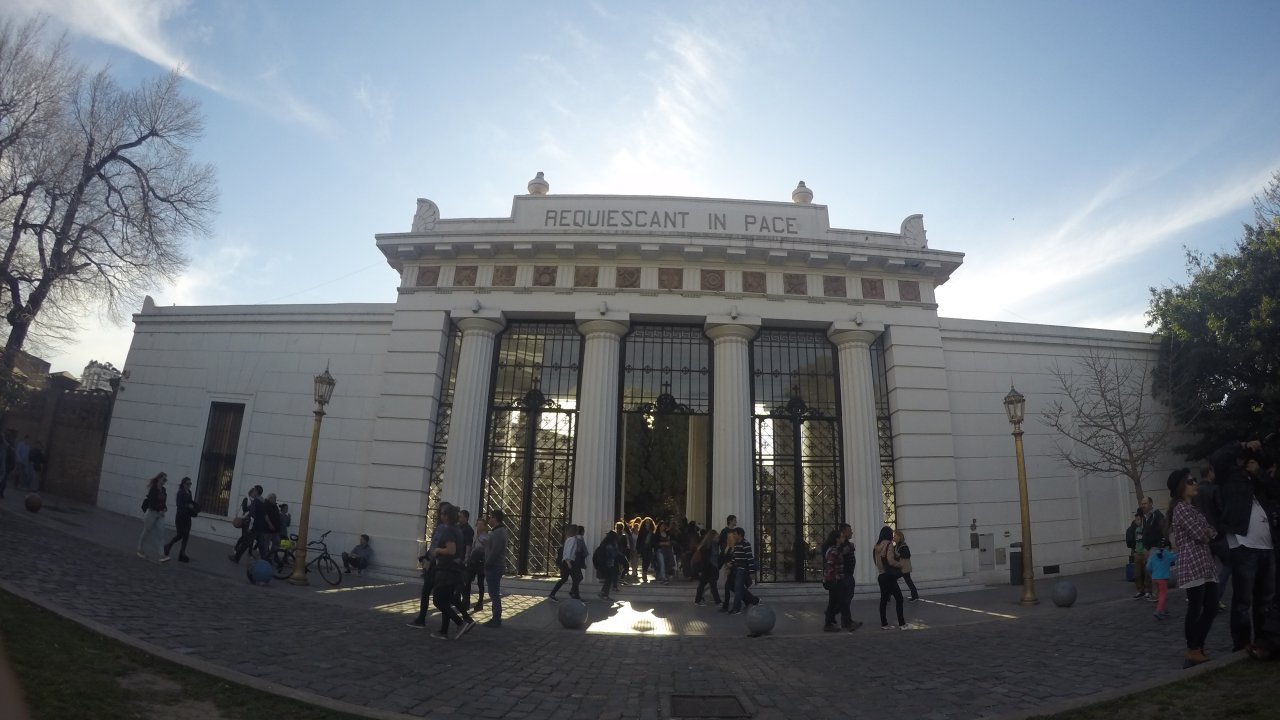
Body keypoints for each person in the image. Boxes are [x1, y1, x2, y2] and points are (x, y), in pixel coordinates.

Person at [1212, 439, 1277, 654]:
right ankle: (1241, 644)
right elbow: (1218, 457)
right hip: (1243, 542)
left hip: (1266, 544)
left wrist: (1258, 472)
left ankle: (1262, 641)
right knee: (1243, 599)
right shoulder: (1229, 476)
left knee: (1265, 598)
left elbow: (1275, 490)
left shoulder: (1258, 478)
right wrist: (1242, 445)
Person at [1167, 467, 1220, 667]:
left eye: (1194, 480)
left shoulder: (1193, 508)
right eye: (1190, 481)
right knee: (1196, 607)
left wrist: (1208, 532)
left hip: (1204, 563)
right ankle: (1193, 648)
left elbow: (1212, 532)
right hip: (1192, 564)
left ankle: (1197, 646)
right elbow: (1201, 534)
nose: (1194, 483)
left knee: (1211, 606)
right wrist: (1207, 532)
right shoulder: (1181, 509)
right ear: (1181, 487)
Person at [429, 505, 476, 640]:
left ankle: (460, 623)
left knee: (438, 600)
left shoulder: (449, 530)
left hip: (446, 570)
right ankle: (444, 631)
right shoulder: (457, 530)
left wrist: (437, 550)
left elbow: (451, 550)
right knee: (446, 600)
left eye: (443, 513)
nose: (441, 515)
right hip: (453, 570)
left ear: (447, 516)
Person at [408, 502, 451, 628]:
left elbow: (437, 546)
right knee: (437, 595)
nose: (438, 514)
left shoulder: (444, 528)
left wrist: (429, 558)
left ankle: (457, 623)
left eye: (441, 512)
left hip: (437, 565)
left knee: (435, 596)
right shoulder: (444, 527)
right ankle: (445, 626)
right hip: (437, 564)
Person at [875, 526, 907, 629]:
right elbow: (890, 561)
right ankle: (902, 623)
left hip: (881, 575)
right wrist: (900, 564)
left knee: (883, 600)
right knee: (899, 598)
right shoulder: (888, 545)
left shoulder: (877, 546)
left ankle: (884, 624)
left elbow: (877, 561)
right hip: (889, 576)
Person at [137, 472, 169, 563]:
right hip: (151, 513)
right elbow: (151, 503)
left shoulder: (164, 490)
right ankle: (139, 549)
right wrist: (159, 510)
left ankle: (161, 555)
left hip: (160, 515)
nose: (164, 482)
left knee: (161, 533)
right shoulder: (153, 489)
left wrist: (165, 509)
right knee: (146, 531)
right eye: (164, 479)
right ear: (159, 479)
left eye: (166, 480)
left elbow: (163, 502)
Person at [484, 509, 508, 627]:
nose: (489, 519)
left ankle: (496, 618)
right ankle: (495, 617)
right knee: (493, 592)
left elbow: (495, 551)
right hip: (495, 565)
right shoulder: (498, 531)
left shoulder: (498, 532)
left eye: (490, 517)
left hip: (494, 566)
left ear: (495, 518)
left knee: (494, 593)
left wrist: (487, 563)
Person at [163, 477, 196, 562]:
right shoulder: (180, 493)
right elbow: (178, 504)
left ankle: (182, 553)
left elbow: (190, 502)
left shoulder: (189, 492)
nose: (189, 485)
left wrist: (194, 507)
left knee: (186, 535)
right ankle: (168, 546)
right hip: (180, 517)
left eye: (190, 484)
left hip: (187, 517)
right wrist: (187, 506)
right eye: (188, 483)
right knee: (180, 535)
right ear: (183, 484)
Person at [549, 524, 584, 601]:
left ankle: (553, 594)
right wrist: (568, 562)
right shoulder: (573, 540)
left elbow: (566, 551)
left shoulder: (569, 539)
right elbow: (569, 551)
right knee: (577, 578)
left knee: (566, 578)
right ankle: (574, 594)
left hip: (566, 562)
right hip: (569, 562)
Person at [728, 528, 759, 614]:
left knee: (738, 589)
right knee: (734, 587)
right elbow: (735, 557)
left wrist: (752, 572)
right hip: (736, 570)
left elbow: (749, 558)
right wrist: (731, 563)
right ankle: (754, 600)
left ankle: (736, 609)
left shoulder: (746, 544)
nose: (733, 536)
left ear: (740, 535)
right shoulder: (737, 544)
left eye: (735, 534)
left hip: (742, 570)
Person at [1146, 539, 1177, 620]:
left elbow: (1148, 567)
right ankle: (1158, 611)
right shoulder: (1167, 554)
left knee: (1160, 595)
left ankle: (1162, 610)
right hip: (1163, 578)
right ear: (1166, 547)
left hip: (1154, 578)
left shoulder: (1153, 555)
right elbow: (1175, 558)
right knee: (1163, 595)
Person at [693, 529, 722, 607]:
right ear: (712, 537)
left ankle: (698, 600)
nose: (718, 538)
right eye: (716, 536)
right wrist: (702, 569)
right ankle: (717, 601)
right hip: (708, 568)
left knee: (704, 585)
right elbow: (704, 559)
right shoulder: (707, 546)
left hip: (712, 567)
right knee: (711, 584)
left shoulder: (715, 544)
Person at [465, 519, 489, 611]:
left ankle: (480, 602)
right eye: (477, 524)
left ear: (484, 526)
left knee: (480, 583)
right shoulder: (476, 536)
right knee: (467, 581)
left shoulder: (486, 537)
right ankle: (466, 601)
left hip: (480, 563)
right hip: (473, 561)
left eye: (480, 524)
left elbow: (487, 550)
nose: (478, 526)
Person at [719, 514, 739, 612]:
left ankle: (727, 605)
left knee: (730, 584)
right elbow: (722, 546)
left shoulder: (737, 531)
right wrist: (726, 560)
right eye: (734, 520)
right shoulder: (724, 531)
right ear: (730, 521)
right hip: (728, 559)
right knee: (730, 584)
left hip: (735, 560)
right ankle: (745, 599)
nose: (736, 522)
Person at [894, 529, 920, 601]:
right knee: (907, 581)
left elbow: (908, 555)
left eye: (895, 536)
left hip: (904, 567)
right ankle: (915, 595)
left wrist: (898, 555)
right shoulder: (897, 545)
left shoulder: (903, 546)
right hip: (901, 567)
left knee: (906, 581)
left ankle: (915, 595)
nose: (894, 537)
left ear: (899, 537)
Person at [596, 530, 622, 600]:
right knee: (609, 579)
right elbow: (613, 554)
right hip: (609, 564)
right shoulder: (610, 545)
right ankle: (604, 594)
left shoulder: (604, 543)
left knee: (608, 579)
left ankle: (603, 593)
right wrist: (616, 549)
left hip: (604, 564)